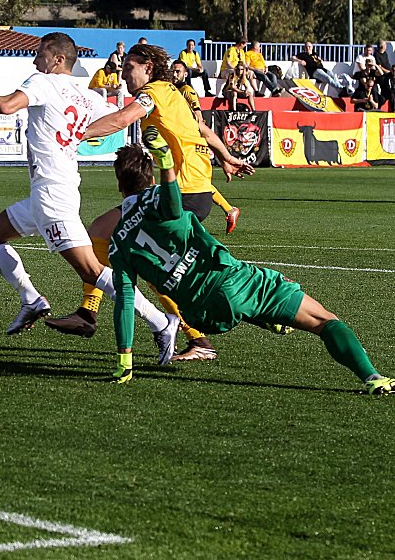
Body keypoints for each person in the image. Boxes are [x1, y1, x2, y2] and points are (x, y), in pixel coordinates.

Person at [0, 32, 178, 360]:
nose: (35, 61)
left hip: (52, 197)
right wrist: (80, 136)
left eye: (40, 54)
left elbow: (7, 106)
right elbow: (116, 121)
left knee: (92, 272)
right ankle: (31, 299)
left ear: (57, 59)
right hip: (48, 193)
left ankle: (162, 322)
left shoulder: (43, 82)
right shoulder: (84, 94)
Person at [106, 127, 394, 396]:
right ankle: (372, 378)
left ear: (119, 184)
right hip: (230, 281)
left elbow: (125, 298)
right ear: (151, 176)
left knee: (240, 301)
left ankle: (267, 318)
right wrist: (167, 163)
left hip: (199, 315)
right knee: (324, 321)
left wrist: (125, 358)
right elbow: (171, 207)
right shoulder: (157, 197)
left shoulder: (118, 241)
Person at [44, 44, 254, 362]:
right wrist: (228, 158)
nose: (124, 73)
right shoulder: (173, 94)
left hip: (180, 194)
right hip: (188, 191)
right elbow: (203, 130)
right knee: (102, 230)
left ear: (148, 68)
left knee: (154, 266)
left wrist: (73, 136)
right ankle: (88, 313)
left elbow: (123, 118)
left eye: (129, 67)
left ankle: (197, 338)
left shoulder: (153, 92)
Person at [171, 59, 242, 234]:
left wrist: (195, 136)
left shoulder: (186, 91)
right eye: (172, 71)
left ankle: (187, 221)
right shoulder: (172, 91)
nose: (174, 74)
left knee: (193, 180)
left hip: (192, 140)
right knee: (194, 180)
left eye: (178, 71)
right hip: (183, 139)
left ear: (186, 74)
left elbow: (198, 116)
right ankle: (229, 210)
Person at [373, 39, 392, 106]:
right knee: (387, 93)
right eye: (385, 44)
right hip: (383, 76)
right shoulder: (377, 54)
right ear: (382, 46)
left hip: (389, 74)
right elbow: (379, 66)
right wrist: (388, 71)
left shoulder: (385, 53)